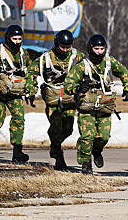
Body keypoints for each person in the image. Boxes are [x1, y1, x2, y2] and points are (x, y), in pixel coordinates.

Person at [64, 34, 128, 175]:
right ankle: (86, 163)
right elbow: (68, 85)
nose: (99, 52)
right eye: (96, 48)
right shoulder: (82, 65)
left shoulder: (109, 62)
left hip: (104, 108)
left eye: (102, 49)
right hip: (86, 109)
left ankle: (97, 150)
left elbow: (123, 71)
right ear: (90, 49)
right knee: (87, 136)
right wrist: (78, 88)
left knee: (103, 137)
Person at [26, 30, 85, 170]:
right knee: (56, 128)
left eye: (68, 47)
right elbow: (31, 72)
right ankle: (59, 157)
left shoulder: (78, 57)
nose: (65, 50)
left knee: (68, 129)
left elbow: (89, 69)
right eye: (62, 47)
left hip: (70, 100)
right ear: (57, 44)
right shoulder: (46, 58)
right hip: (53, 102)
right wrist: (31, 90)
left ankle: (54, 144)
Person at [0, 24, 33, 163]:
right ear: (8, 38)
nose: (17, 42)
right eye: (14, 39)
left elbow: (31, 73)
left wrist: (31, 89)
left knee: (19, 120)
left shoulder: (23, 54)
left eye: (19, 38)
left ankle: (17, 152)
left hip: (15, 94)